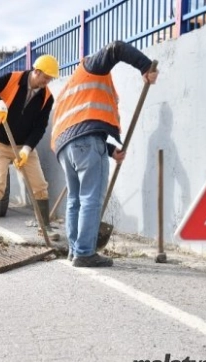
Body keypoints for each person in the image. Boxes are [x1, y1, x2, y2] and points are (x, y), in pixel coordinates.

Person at [51, 41, 159, 267]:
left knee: (74, 200)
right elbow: (117, 48)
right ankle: (84, 252)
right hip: (86, 143)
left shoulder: (70, 89)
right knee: (90, 198)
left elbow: (80, 122)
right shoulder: (92, 67)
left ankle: (74, 250)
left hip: (64, 148)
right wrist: (145, 66)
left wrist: (110, 150)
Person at [0, 55, 61, 244]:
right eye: (46, 77)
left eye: (50, 79)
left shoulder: (47, 97)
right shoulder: (12, 79)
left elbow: (40, 127)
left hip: (23, 146)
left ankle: (45, 226)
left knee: (40, 185)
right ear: (36, 72)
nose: (47, 82)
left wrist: (27, 150)